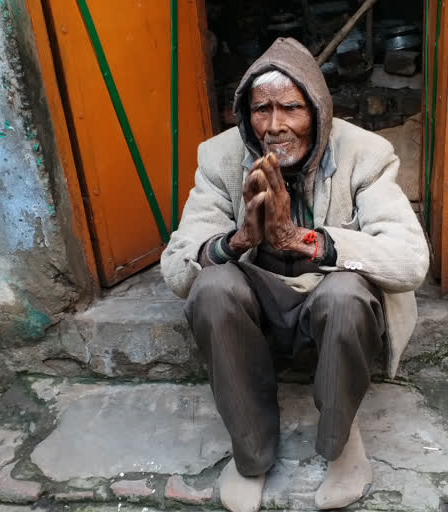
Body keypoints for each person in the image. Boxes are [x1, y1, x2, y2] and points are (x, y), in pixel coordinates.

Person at [161, 37, 429, 512]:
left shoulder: (366, 153)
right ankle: (251, 454)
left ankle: (341, 443)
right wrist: (240, 239)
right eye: (261, 110)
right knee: (212, 288)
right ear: (245, 114)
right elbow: (177, 267)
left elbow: (410, 260)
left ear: (318, 111)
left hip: (328, 300)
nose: (275, 126)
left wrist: (302, 240)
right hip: (259, 303)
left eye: (291, 108)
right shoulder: (219, 156)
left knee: (346, 294)